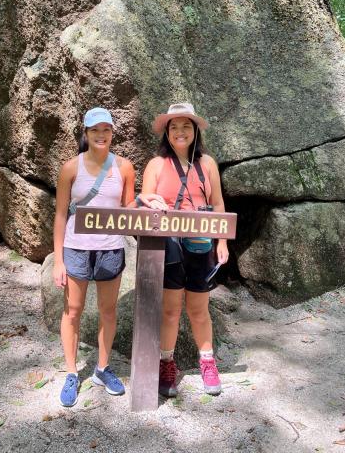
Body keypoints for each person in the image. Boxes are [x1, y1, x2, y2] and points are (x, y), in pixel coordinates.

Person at [139, 103, 229, 398]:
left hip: (201, 241)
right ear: (167, 131)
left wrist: (223, 242)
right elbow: (145, 198)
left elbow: (217, 205)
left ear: (194, 131)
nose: (180, 131)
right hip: (169, 242)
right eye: (174, 126)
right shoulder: (156, 164)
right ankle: (167, 363)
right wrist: (150, 201)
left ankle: (207, 362)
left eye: (186, 126)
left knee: (199, 308)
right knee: (170, 308)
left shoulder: (208, 164)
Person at [53, 107, 136, 407]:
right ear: (85, 134)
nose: (101, 135)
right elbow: (61, 215)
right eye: (95, 130)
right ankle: (72, 372)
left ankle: (102, 368)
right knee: (72, 310)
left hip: (110, 247)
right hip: (76, 248)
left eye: (106, 130)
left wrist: (144, 202)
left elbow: (128, 209)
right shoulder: (70, 169)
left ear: (112, 133)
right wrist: (59, 260)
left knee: (108, 310)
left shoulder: (125, 167)